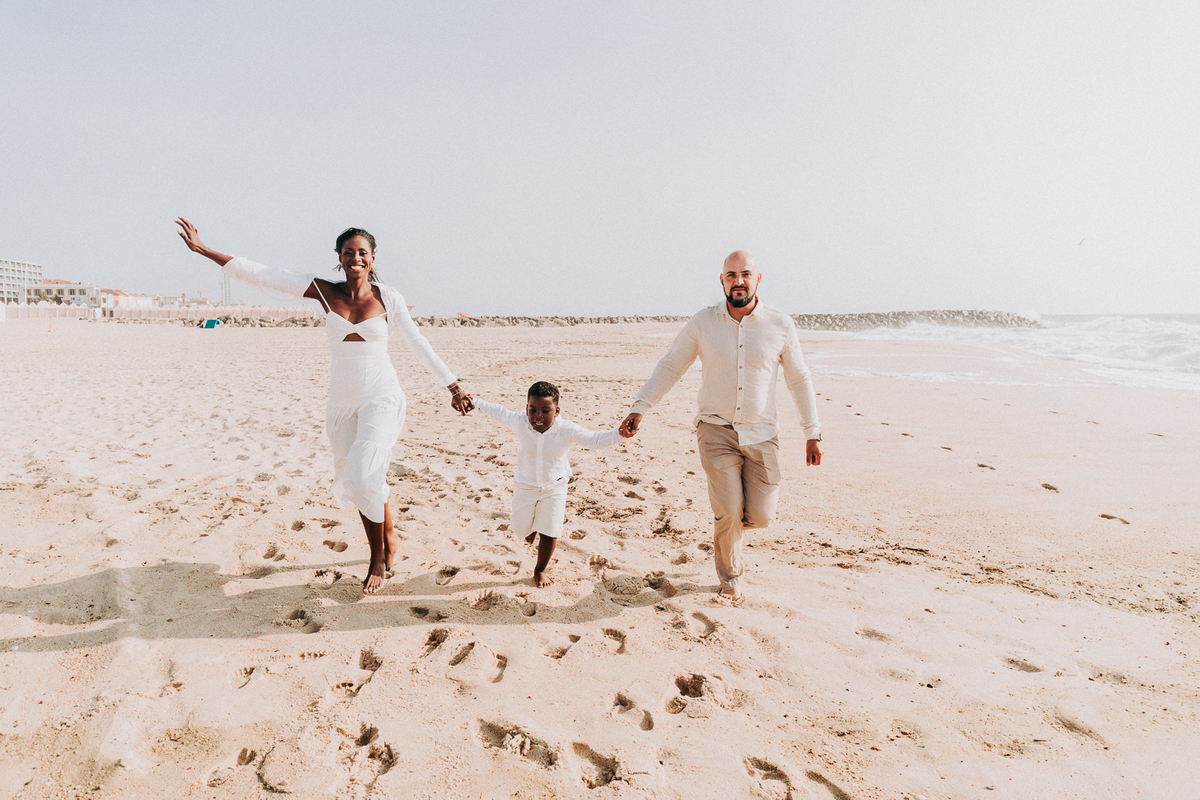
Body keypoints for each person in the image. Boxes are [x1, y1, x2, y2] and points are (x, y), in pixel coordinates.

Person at [174, 218, 473, 594]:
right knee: (359, 477)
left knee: (365, 474)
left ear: (373, 258)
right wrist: (205, 250)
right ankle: (389, 534)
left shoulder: (388, 297)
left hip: (381, 396)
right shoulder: (321, 290)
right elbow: (265, 275)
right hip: (342, 402)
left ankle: (377, 557)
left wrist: (453, 385)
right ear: (339, 258)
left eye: (362, 253)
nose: (355, 259)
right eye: (348, 253)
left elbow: (419, 343)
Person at [619, 250, 823, 603]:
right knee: (729, 511)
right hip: (715, 431)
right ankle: (731, 578)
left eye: (745, 274)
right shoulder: (703, 323)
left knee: (759, 516)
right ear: (722, 281)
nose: (738, 281)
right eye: (731, 275)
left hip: (763, 433)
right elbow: (671, 366)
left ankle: (727, 529)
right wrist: (641, 407)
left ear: (758, 279)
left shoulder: (780, 325)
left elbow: (799, 379)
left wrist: (812, 432)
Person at [474, 381, 622, 587]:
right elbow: (497, 411)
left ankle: (540, 569)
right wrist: (470, 401)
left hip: (555, 486)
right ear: (526, 408)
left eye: (545, 410)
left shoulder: (567, 429)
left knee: (550, 529)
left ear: (557, 411)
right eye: (532, 410)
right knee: (520, 530)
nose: (538, 416)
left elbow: (594, 439)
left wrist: (620, 433)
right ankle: (531, 526)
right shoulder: (519, 421)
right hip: (525, 486)